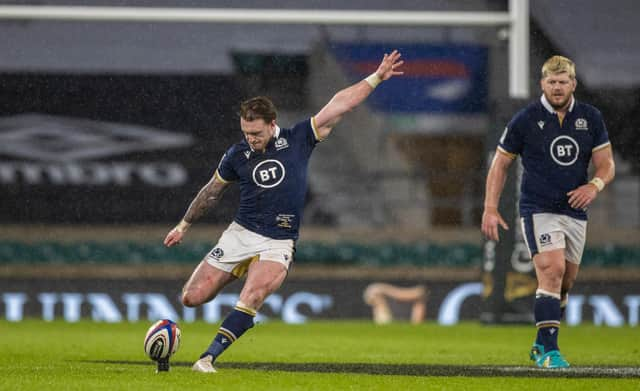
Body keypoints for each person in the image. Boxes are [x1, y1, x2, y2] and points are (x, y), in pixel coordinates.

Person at [164, 50, 404, 373]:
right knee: (191, 297)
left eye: (257, 134)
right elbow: (211, 192)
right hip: (240, 233)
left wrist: (376, 77)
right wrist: (183, 225)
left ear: (272, 125)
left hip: (278, 241)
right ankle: (234, 280)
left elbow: (341, 103)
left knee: (253, 295)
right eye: (246, 133)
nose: (251, 139)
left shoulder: (299, 139)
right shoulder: (237, 155)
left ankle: (207, 358)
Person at [481, 55, 615, 368]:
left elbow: (606, 164)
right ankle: (551, 352)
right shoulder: (525, 119)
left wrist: (594, 185)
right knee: (551, 272)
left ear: (573, 84)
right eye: (551, 82)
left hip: (575, 211)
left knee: (565, 283)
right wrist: (490, 207)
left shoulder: (590, 117)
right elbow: (500, 163)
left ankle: (540, 344)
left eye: (562, 81)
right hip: (538, 208)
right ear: (542, 84)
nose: (557, 87)